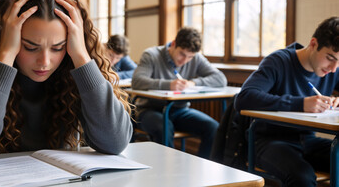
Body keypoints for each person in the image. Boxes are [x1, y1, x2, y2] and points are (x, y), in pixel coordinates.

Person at [0, 0, 133, 165]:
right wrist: (5, 55)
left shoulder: (72, 65)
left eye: (58, 47)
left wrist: (82, 56)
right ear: (4, 37)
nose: (45, 62)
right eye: (30, 47)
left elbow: (114, 142)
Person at [235, 17, 339, 187]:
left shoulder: (333, 69)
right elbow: (244, 98)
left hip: (308, 141)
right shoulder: (278, 61)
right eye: (330, 58)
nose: (334, 68)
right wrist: (301, 104)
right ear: (313, 44)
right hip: (268, 141)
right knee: (302, 177)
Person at [132, 27, 226, 158]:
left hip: (179, 110)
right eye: (182, 54)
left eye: (190, 57)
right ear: (174, 44)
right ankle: (168, 172)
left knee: (213, 128)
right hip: (149, 110)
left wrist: (193, 83)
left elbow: (220, 79)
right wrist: (168, 85)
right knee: (164, 127)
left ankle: (204, 171)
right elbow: (137, 81)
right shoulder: (151, 55)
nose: (184, 61)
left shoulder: (196, 58)